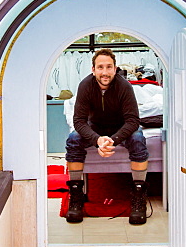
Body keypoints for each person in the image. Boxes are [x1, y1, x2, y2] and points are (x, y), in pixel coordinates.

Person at [64, 48, 149, 225]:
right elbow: (79, 121)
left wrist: (113, 140)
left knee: (138, 139)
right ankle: (76, 195)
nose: (105, 72)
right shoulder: (85, 86)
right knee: (73, 139)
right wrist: (97, 140)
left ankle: (138, 195)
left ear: (115, 68)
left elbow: (133, 120)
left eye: (109, 67)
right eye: (100, 67)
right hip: (95, 127)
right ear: (93, 69)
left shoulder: (124, 86)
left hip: (121, 127)